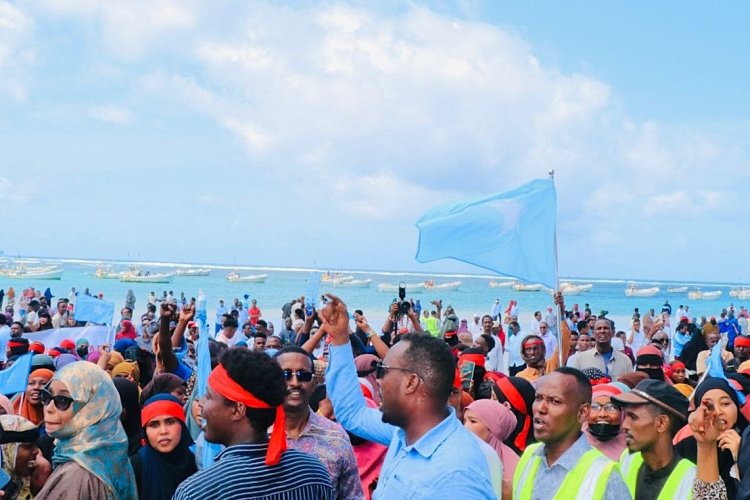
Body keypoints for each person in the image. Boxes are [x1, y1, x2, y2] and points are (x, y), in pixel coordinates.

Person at [322, 293, 497, 498]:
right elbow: (353, 414)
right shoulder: (402, 432)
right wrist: (341, 338)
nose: (378, 380)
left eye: (384, 370)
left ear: (411, 382)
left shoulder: (456, 475)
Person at [172, 349, 334, 499]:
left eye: (208, 396)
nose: (200, 403)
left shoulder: (196, 492)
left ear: (237, 410)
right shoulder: (314, 474)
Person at [512, 367, 629, 499]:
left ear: (582, 412)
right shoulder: (529, 456)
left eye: (555, 401)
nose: (541, 408)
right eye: (538, 398)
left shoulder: (604, 475)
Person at [35, 361, 137, 499]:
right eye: (46, 397)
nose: (49, 408)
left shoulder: (77, 474)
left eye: (62, 400)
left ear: (93, 409)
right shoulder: (112, 453)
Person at [274, 345, 364, 499]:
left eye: (303, 375)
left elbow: (352, 496)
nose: (295, 382)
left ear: (314, 382)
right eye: (285, 375)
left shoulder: (335, 436)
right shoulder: (255, 434)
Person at [611, 379, 695, 498]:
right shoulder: (627, 459)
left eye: (633, 417)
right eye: (625, 416)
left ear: (661, 423)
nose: (624, 425)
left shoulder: (690, 479)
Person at [130, 394, 197, 500]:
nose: (163, 431)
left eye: (170, 422)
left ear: (182, 426)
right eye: (154, 425)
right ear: (145, 431)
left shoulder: (195, 462)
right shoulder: (136, 467)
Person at [464, 399, 519, 497]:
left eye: (473, 421)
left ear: (493, 428)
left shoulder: (515, 466)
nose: (465, 427)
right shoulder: (460, 454)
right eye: (464, 421)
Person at [0, 414, 52, 498]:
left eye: (35, 445)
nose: (36, 451)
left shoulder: (31, 477)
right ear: (9, 450)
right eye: (28, 446)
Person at [568, 319, 633, 380]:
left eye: (606, 328)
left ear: (612, 333)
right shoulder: (580, 359)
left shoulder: (625, 361)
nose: (602, 331)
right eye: (599, 328)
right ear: (593, 333)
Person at [584, 384, 627, 461]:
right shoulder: (575, 445)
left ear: (622, 412)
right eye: (594, 407)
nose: (602, 414)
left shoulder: (634, 448)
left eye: (611, 407)